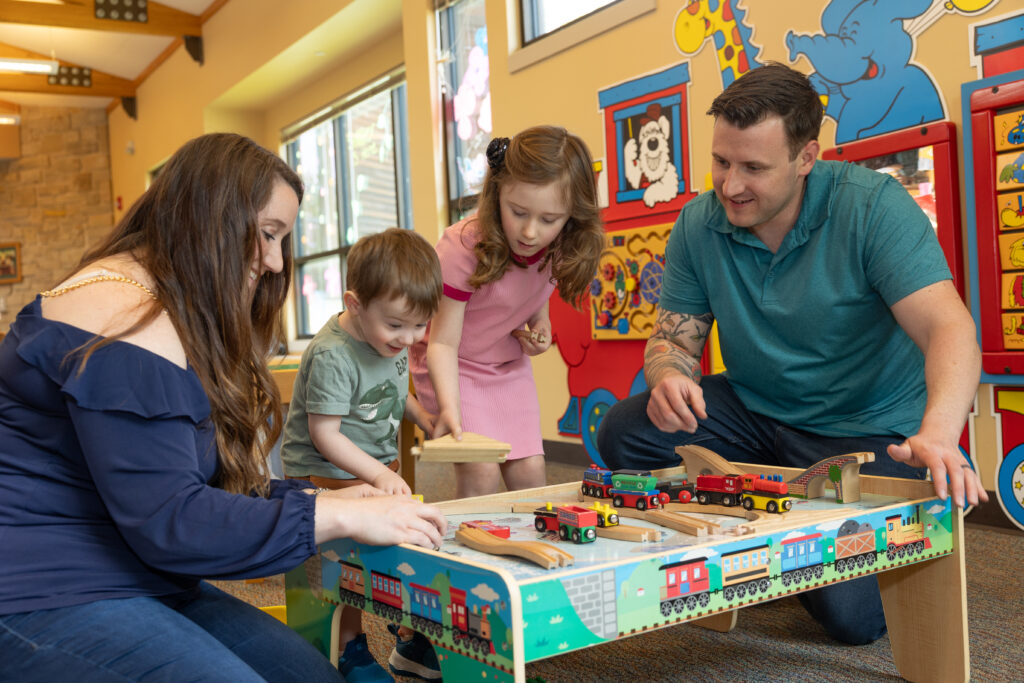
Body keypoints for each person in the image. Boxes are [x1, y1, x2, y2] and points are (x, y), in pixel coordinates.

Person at [0, 133, 447, 683]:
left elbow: (200, 489)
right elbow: (173, 522)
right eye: (267, 234)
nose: (275, 261)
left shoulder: (155, 300)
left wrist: (317, 497)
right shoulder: (122, 310)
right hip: (42, 591)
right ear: (209, 216)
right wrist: (336, 514)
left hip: (142, 574)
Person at [596, 63, 987, 646]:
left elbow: (949, 329)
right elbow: (674, 338)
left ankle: (782, 534)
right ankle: (768, 525)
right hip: (757, 414)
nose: (730, 185)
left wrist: (939, 431)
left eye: (754, 167)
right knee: (627, 431)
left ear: (807, 158)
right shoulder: (699, 224)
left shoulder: (872, 206)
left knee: (852, 620)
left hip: (865, 430)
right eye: (722, 162)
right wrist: (669, 376)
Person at [280, 228, 442, 682]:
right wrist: (376, 476)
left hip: (373, 472)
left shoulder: (389, 336)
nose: (409, 338)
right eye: (397, 325)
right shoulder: (334, 354)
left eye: (419, 325)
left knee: (403, 545)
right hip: (325, 477)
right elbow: (325, 435)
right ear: (354, 305)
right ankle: (349, 647)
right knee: (345, 570)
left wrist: (425, 417)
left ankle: (407, 638)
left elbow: (392, 388)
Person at [411, 125, 605, 500]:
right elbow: (442, 343)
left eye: (549, 219)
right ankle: (471, 551)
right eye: (518, 212)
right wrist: (450, 408)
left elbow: (533, 292)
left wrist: (540, 324)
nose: (531, 231)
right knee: (481, 472)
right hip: (454, 364)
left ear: (572, 217)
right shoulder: (462, 247)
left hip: (507, 366)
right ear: (497, 192)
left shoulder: (562, 246)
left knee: (531, 474)